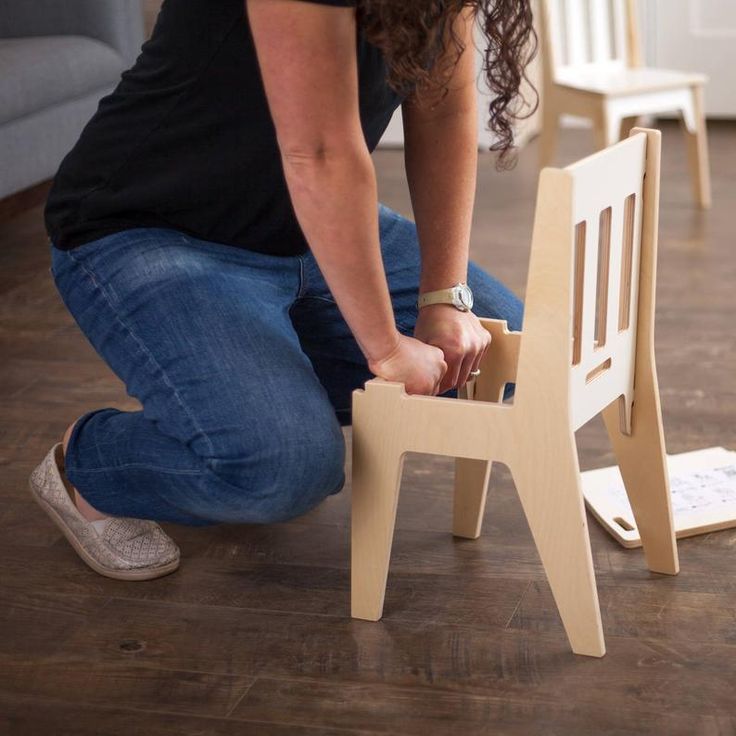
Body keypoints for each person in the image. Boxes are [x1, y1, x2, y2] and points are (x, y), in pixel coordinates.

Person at [29, 0, 535, 581]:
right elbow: (317, 154)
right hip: (152, 226)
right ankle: (88, 464)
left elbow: (442, 111)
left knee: (501, 360)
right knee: (280, 470)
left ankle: (247, 401)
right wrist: (388, 350)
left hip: (309, 228)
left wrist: (444, 295)